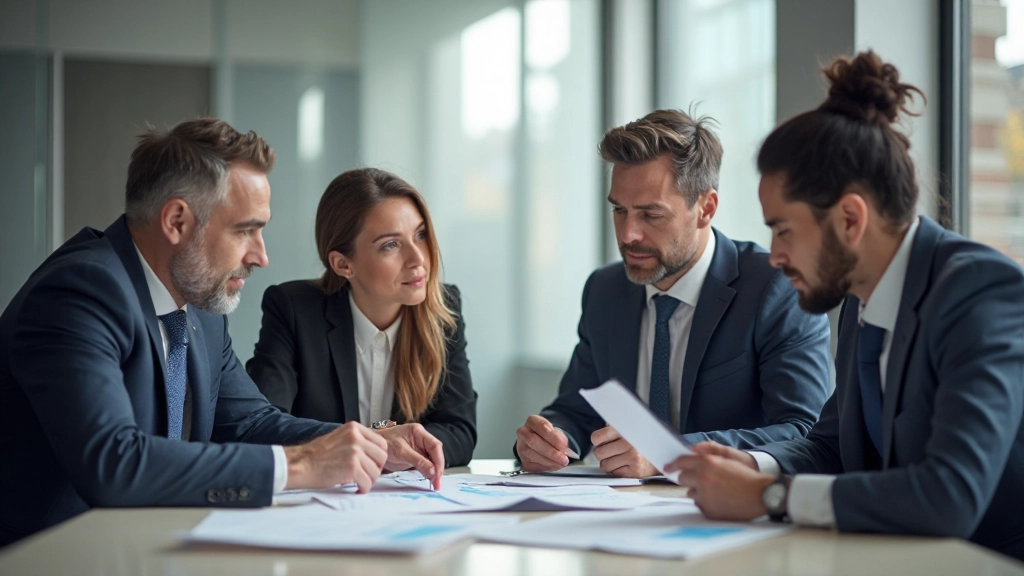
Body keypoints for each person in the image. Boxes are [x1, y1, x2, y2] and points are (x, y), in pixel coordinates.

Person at [666, 51, 1024, 561]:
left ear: (850, 219)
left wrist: (771, 498)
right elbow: (833, 445)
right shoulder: (863, 300)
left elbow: (951, 494)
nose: (776, 256)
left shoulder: (981, 292)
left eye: (783, 230)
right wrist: (757, 466)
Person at [0, 119, 401, 547]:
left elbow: (248, 423)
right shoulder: (80, 292)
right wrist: (299, 465)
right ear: (176, 221)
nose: (261, 256)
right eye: (245, 229)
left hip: (146, 547)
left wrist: (367, 443)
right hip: (46, 557)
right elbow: (113, 463)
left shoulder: (201, 307)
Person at [515, 109, 832, 477]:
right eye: (620, 210)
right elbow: (578, 410)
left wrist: (669, 455)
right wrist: (550, 439)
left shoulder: (775, 288)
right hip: (623, 515)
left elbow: (803, 431)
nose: (628, 234)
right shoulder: (604, 290)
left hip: (736, 513)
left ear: (705, 209)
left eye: (651, 215)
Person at [247, 168, 477, 468]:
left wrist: (382, 447)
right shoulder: (293, 310)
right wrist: (379, 443)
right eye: (390, 245)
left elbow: (460, 433)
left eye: (419, 235)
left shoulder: (443, 309)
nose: (418, 258)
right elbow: (262, 428)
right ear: (343, 264)